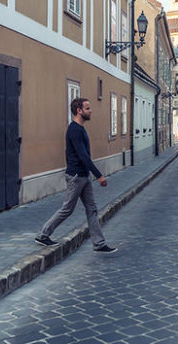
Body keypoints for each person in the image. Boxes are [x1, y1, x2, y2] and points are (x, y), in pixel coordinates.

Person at [35, 97, 117, 253]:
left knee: (91, 209)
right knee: (67, 209)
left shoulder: (80, 128)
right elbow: (83, 155)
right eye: (87, 108)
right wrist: (99, 175)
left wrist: (90, 175)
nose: (91, 110)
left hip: (83, 176)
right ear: (79, 110)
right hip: (76, 176)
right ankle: (43, 234)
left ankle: (99, 243)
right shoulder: (74, 130)